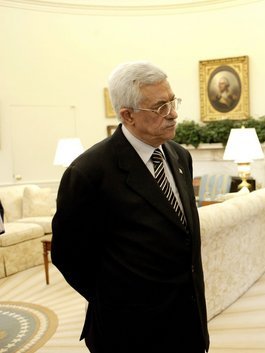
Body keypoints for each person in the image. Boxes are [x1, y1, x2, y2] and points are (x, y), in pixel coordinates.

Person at [51, 61, 209, 353]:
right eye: (160, 107)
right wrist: (117, 298)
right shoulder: (88, 172)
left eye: (173, 101)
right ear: (127, 115)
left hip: (188, 321)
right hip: (128, 331)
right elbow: (68, 255)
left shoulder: (179, 156)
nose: (173, 113)